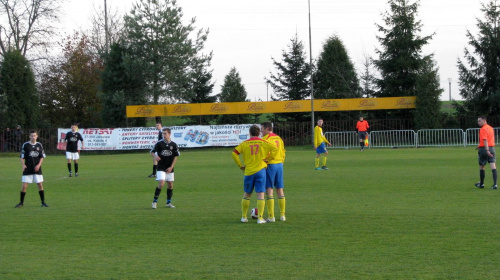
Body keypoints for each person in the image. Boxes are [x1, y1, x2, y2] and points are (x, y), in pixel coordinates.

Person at [232, 125, 278, 224]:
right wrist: (269, 159)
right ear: (259, 133)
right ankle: (260, 218)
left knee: (247, 194)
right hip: (260, 170)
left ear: (250, 133)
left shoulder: (244, 143)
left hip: (248, 171)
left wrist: (240, 165)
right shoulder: (263, 142)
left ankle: (244, 217)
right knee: (260, 194)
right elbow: (275, 148)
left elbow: (234, 153)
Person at [15, 130, 49, 208]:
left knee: (40, 185)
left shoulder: (39, 145)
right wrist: (23, 165)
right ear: (29, 137)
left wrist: (39, 165)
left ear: (37, 136)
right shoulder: (26, 145)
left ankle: (43, 202)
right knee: (24, 186)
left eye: (34, 136)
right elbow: (22, 157)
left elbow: (42, 157)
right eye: (32, 136)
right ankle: (21, 202)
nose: (33, 137)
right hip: (28, 168)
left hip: (37, 169)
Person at [261, 122, 286, 222]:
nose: (261, 131)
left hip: (271, 165)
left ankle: (271, 216)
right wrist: (281, 161)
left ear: (267, 129)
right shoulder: (279, 138)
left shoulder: (265, 139)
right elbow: (283, 151)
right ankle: (282, 215)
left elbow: (264, 152)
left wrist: (265, 160)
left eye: (262, 128)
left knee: (269, 190)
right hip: (279, 164)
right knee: (280, 189)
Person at [151, 127, 180, 209]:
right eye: (163, 133)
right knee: (161, 183)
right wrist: (155, 156)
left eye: (165, 133)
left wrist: (171, 167)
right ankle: (154, 202)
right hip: (161, 167)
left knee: (170, 185)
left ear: (169, 134)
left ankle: (168, 203)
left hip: (170, 168)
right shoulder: (159, 143)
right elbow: (152, 152)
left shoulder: (174, 145)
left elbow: (176, 156)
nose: (163, 135)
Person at [475, 116, 497, 190]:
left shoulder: (483, 129)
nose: (478, 123)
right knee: (493, 166)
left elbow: (485, 140)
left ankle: (481, 184)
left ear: (484, 121)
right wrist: (479, 146)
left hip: (485, 149)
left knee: (482, 166)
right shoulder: (490, 128)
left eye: (479, 121)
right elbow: (489, 139)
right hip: (492, 148)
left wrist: (486, 150)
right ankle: (495, 185)